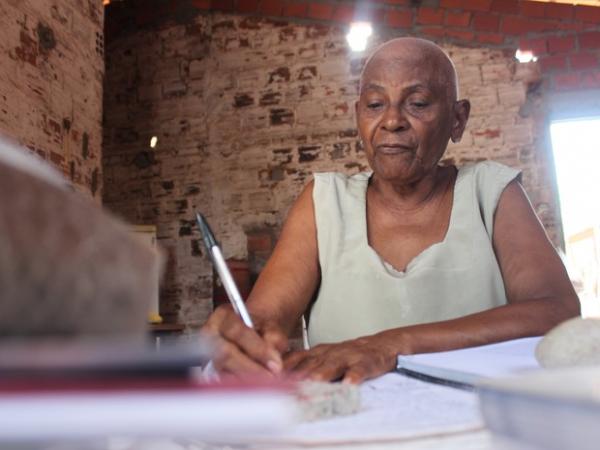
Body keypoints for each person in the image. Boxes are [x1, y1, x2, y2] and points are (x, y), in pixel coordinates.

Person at [202, 37, 580, 383]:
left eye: (417, 103)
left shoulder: (491, 193)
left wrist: (390, 346)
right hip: (351, 430)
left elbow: (556, 312)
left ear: (457, 119)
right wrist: (243, 336)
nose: (392, 121)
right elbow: (267, 317)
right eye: (375, 104)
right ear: (358, 115)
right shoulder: (323, 202)